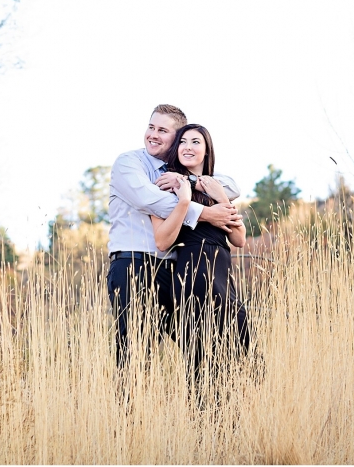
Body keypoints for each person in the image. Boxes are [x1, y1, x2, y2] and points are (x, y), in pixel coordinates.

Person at [107, 105, 242, 367]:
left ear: (177, 139)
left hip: (173, 270)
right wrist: (206, 213)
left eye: (163, 131)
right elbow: (151, 200)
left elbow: (232, 187)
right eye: (151, 127)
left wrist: (188, 183)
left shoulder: (179, 173)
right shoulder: (129, 162)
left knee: (198, 346)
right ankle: (128, 408)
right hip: (134, 265)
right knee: (134, 354)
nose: (153, 135)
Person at [151, 123, 251, 375]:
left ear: (206, 151)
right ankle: (206, 413)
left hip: (223, 277)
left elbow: (239, 239)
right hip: (192, 276)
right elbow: (161, 240)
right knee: (203, 360)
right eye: (183, 141)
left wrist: (222, 197)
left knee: (242, 353)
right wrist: (184, 198)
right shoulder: (166, 186)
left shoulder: (216, 187)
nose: (188, 147)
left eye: (196, 142)